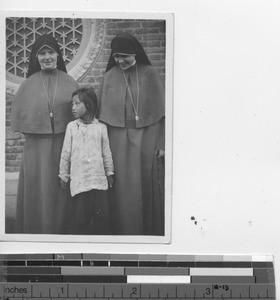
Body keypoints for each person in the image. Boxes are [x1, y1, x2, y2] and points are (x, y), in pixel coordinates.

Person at [97, 32, 165, 235]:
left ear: (135, 53)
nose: (121, 60)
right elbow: (102, 116)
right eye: (117, 56)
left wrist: (161, 144)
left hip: (146, 136)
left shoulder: (149, 73)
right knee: (119, 185)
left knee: (143, 183)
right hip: (116, 138)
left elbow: (161, 113)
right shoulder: (108, 77)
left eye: (125, 55)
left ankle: (145, 229)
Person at [11, 34, 79, 234]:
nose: (47, 57)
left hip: (63, 145)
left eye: (51, 52)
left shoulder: (70, 82)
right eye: (42, 54)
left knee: (61, 189)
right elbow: (21, 119)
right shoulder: (27, 84)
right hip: (36, 148)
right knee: (39, 190)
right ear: (35, 58)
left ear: (58, 55)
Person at [59, 88, 114, 235]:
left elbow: (106, 152)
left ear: (88, 105)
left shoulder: (101, 128)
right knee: (80, 222)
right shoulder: (72, 127)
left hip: (98, 181)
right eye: (72, 104)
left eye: (77, 104)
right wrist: (63, 174)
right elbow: (66, 152)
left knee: (102, 222)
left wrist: (109, 172)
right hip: (80, 181)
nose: (73, 108)